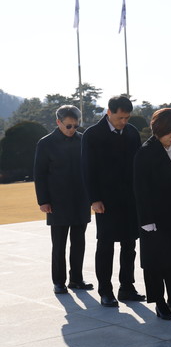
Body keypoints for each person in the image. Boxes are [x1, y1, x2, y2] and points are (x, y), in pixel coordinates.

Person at [81, 95, 145, 307]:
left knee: (129, 244)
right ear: (109, 112)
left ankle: (127, 287)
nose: (124, 122)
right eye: (120, 118)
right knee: (106, 246)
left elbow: (138, 165)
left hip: (130, 198)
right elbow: (87, 169)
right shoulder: (92, 134)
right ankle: (105, 291)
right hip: (105, 200)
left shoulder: (132, 132)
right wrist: (94, 199)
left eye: (127, 118)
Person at [133, 109, 171, 320]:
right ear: (159, 128)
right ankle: (159, 302)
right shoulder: (145, 152)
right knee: (156, 262)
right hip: (155, 219)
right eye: (170, 131)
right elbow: (140, 189)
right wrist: (146, 220)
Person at [34, 105, 92, 295]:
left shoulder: (83, 140)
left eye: (76, 126)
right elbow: (40, 174)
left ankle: (76, 279)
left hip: (81, 200)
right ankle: (59, 282)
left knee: (79, 242)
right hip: (57, 202)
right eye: (68, 126)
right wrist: (43, 201)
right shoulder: (45, 143)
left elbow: (89, 170)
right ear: (58, 122)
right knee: (59, 245)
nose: (72, 129)